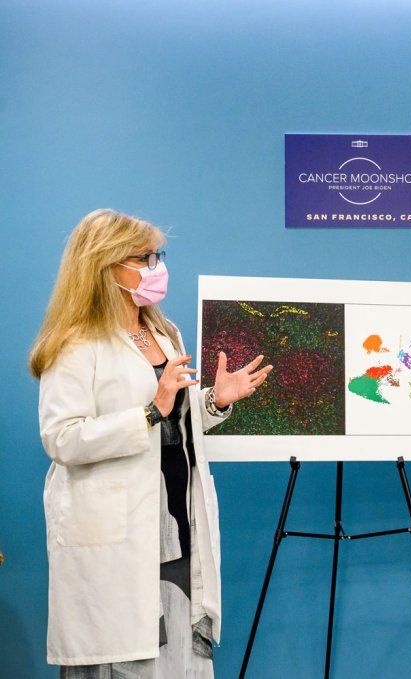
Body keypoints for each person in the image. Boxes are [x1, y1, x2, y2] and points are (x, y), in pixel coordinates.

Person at [29, 209, 273, 676]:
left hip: (177, 523)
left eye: (157, 255)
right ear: (106, 264)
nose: (156, 267)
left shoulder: (164, 332)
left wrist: (214, 402)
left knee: (176, 654)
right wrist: (149, 410)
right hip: (118, 533)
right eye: (144, 257)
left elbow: (170, 422)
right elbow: (61, 439)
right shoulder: (74, 343)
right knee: (122, 655)